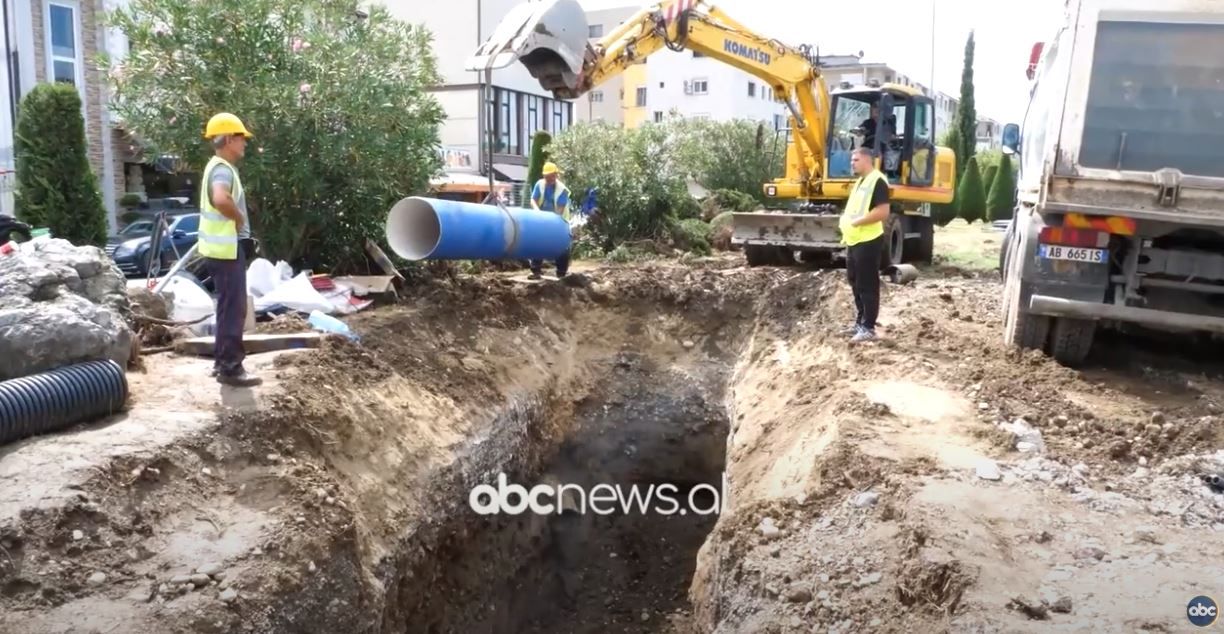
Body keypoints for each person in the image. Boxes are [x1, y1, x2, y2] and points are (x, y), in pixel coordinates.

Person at [198, 112, 261, 387]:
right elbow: (220, 199)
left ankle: (222, 361)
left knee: (225, 307)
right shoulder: (222, 169)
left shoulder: (216, 166)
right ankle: (231, 368)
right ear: (229, 139)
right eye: (241, 138)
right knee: (234, 309)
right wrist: (238, 218)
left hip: (218, 250)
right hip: (226, 251)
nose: (244, 143)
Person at [838, 147, 891, 343]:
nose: (852, 163)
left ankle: (869, 327)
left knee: (868, 284)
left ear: (868, 160)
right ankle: (860, 323)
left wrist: (858, 222)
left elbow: (883, 211)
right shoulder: (861, 181)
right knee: (855, 282)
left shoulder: (877, 181)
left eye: (856, 160)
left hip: (868, 241)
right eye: (852, 159)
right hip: (854, 240)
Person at [528, 161, 572, 279]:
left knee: (563, 244)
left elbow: (559, 211)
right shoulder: (540, 185)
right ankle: (535, 271)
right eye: (548, 176)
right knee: (538, 242)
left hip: (559, 221)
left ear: (556, 175)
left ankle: (561, 273)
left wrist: (549, 223)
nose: (550, 178)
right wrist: (537, 211)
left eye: (553, 175)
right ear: (544, 176)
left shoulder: (562, 190)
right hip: (542, 219)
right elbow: (533, 200)